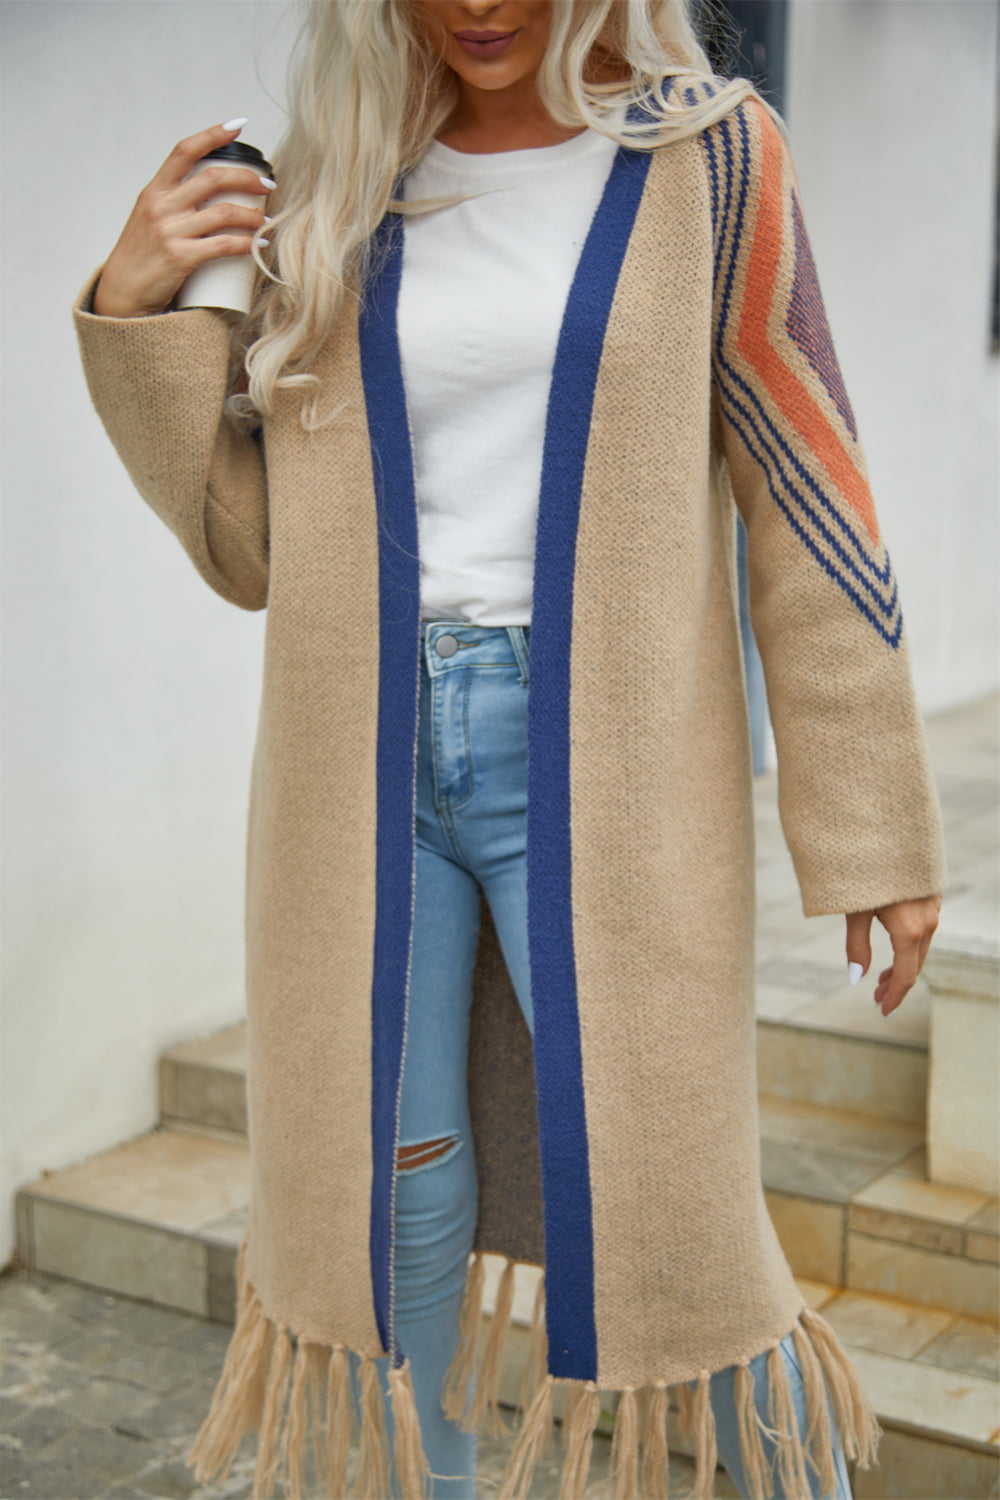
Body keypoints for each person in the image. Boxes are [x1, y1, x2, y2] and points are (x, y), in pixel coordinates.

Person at [74, 2, 946, 1497]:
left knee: (678, 1218)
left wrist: (870, 820)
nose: (477, 4)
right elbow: (253, 550)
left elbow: (806, 485)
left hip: (605, 769)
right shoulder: (341, 180)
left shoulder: (711, 160)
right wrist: (139, 309)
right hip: (356, 767)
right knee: (392, 1198)